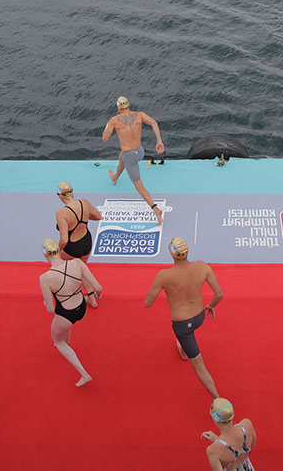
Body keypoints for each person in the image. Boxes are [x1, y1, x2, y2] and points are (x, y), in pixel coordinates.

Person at [144, 237, 223, 398]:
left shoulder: (164, 275)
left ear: (172, 255)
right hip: (199, 317)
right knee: (186, 337)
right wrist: (211, 306)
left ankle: (218, 400)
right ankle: (182, 347)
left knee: (199, 365)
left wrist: (167, 288)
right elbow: (219, 294)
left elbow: (147, 303)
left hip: (182, 325)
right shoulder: (202, 266)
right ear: (187, 252)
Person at [39, 238, 102, 386]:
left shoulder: (45, 278)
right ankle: (67, 342)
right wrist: (96, 297)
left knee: (58, 341)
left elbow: (50, 309)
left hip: (66, 313)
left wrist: (45, 302)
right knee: (64, 331)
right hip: (82, 306)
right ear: (59, 250)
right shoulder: (77, 263)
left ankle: (84, 374)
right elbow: (98, 288)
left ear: (45, 255)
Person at [102, 95, 166, 224]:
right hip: (140, 151)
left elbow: (105, 138)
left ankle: (156, 210)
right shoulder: (140, 115)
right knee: (122, 157)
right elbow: (154, 122)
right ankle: (115, 178)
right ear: (128, 106)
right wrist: (159, 141)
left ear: (119, 108)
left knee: (138, 185)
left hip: (130, 156)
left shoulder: (114, 120)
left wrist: (108, 125)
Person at [55, 182, 102, 307]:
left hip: (72, 247)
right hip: (87, 242)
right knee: (81, 270)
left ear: (60, 196)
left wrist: (57, 252)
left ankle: (64, 292)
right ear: (72, 192)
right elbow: (98, 217)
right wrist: (83, 218)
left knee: (59, 266)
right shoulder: (84, 203)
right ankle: (91, 297)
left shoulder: (61, 213)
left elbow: (64, 240)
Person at [201, 397, 256, 471]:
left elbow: (228, 450)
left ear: (216, 420)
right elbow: (252, 444)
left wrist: (218, 442)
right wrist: (218, 440)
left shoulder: (213, 451)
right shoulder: (247, 424)